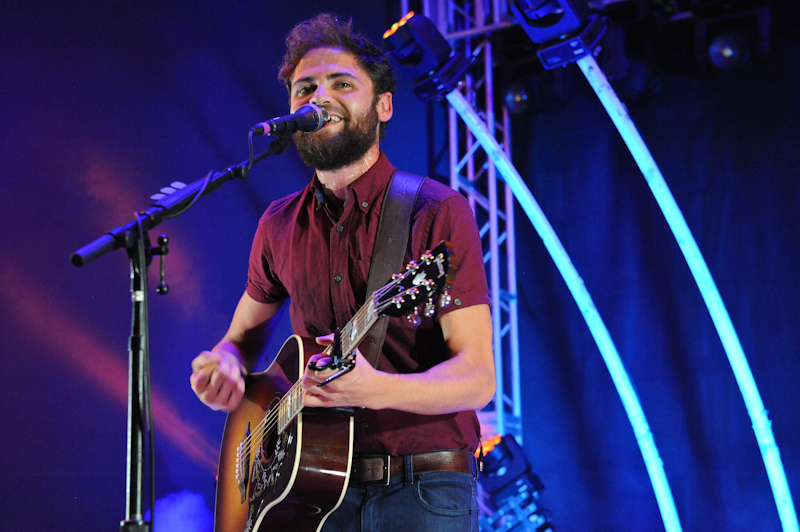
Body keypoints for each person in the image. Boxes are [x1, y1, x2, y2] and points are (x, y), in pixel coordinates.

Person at [190, 13, 495, 531]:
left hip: (421, 487)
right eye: (305, 88)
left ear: (383, 106)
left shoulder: (435, 211)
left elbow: (477, 378)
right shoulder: (278, 223)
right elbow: (240, 337)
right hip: (309, 488)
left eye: (341, 83)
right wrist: (223, 362)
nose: (319, 97)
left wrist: (379, 390)